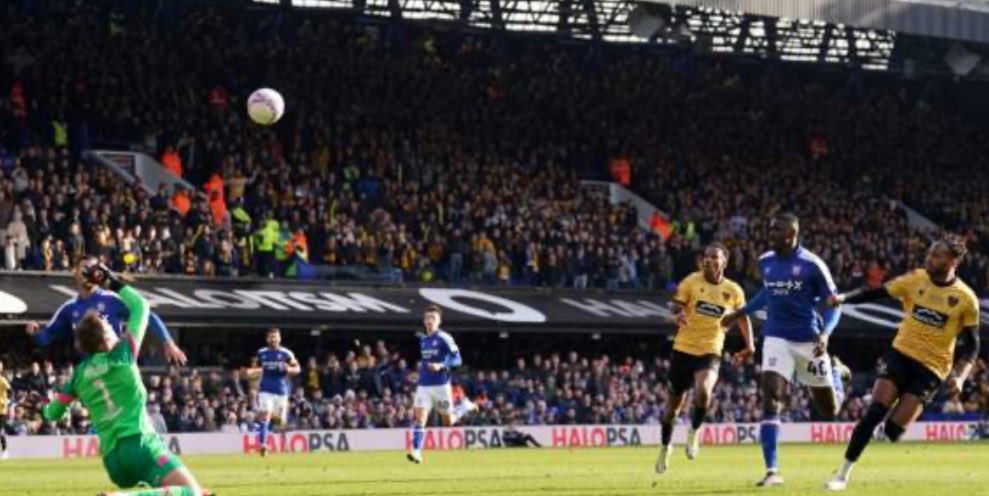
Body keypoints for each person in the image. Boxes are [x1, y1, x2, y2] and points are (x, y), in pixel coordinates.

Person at [35, 263, 209, 496]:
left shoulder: (78, 375)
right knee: (191, 492)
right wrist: (112, 281)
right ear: (104, 339)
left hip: (113, 463)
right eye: (109, 327)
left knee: (187, 491)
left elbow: (54, 412)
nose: (115, 329)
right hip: (140, 446)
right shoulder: (123, 354)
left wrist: (42, 409)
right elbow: (141, 306)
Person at [824, 238, 980, 491]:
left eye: (937, 255)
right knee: (873, 413)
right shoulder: (915, 279)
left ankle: (889, 425)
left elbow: (973, 345)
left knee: (893, 432)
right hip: (901, 355)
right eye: (930, 253)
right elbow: (876, 292)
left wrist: (960, 377)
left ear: (953, 261)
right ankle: (842, 475)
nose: (930, 258)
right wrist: (843, 298)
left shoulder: (966, 299)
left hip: (931, 370)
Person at [722, 213, 845, 487]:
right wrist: (740, 313)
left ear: (791, 235)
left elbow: (834, 304)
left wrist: (825, 333)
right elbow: (767, 293)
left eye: (776, 230)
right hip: (776, 336)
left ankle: (836, 373)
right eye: (770, 229)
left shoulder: (813, 265)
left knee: (830, 411)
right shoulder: (765, 261)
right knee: (771, 398)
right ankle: (772, 470)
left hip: (808, 341)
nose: (770, 233)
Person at [656, 243, 754, 474]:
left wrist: (750, 344)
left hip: (711, 348)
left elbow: (743, 318)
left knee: (703, 392)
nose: (708, 260)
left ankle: (694, 431)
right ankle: (665, 447)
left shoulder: (734, 290)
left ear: (724, 262)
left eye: (714, 257)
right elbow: (674, 305)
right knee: (671, 409)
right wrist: (677, 314)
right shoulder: (691, 281)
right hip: (683, 349)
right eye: (706, 256)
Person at [25, 256, 187, 365]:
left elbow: (147, 315)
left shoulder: (112, 299)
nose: (89, 272)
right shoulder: (68, 309)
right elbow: (46, 337)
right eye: (84, 268)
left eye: (93, 268)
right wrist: (35, 332)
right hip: (91, 372)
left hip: (117, 364)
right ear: (75, 273)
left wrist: (169, 342)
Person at [407, 305, 475, 464]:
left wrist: (441, 365)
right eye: (427, 318)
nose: (430, 321)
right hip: (423, 385)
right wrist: (419, 374)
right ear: (424, 321)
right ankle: (416, 451)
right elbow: (426, 361)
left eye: (433, 318)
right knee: (419, 419)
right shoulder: (423, 340)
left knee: (448, 422)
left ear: (439, 321)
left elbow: (458, 359)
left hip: (441, 386)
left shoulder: (445, 337)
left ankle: (464, 407)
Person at [246, 327, 300, 456]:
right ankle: (263, 446)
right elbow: (255, 369)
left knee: (280, 422)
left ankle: (283, 444)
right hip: (265, 390)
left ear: (280, 338)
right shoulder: (261, 353)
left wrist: (289, 369)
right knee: (265, 416)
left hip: (281, 391)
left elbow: (297, 368)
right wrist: (251, 372)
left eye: (275, 336)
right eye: (271, 337)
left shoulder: (287, 354)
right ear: (267, 339)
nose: (273, 339)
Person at [0, 361, 9, 459]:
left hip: (1, 410)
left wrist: (5, 402)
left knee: (1, 431)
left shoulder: (2, 380)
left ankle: (5, 450)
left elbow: (10, 390)